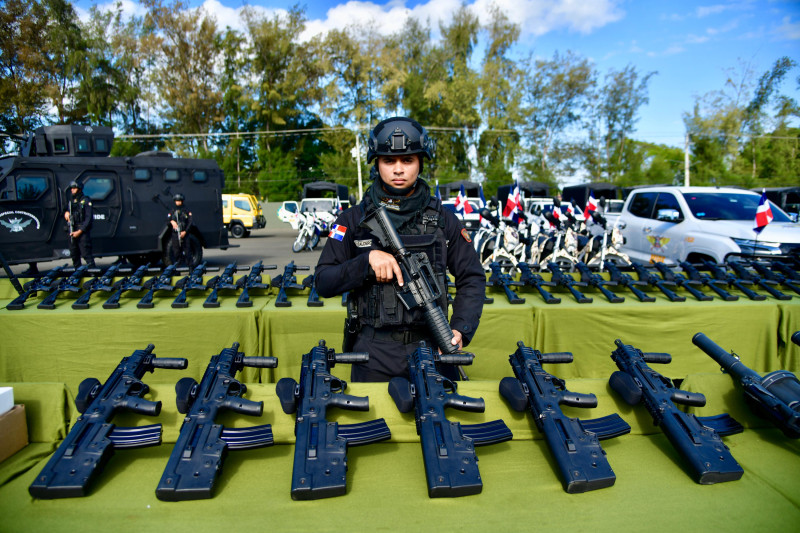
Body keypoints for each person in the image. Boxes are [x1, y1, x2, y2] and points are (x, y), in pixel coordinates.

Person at [314, 117, 486, 382]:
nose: (398, 169)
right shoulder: (351, 221)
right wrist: (366, 262)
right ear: (376, 164)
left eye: (408, 161)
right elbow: (323, 281)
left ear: (420, 163)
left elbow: (472, 277)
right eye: (388, 161)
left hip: (433, 346)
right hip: (374, 353)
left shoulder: (444, 219)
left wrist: (460, 328)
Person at [63, 181, 95, 268]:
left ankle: (93, 274)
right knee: (74, 255)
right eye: (71, 188)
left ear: (79, 189)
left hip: (81, 231)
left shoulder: (86, 201)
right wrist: (66, 212)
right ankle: (78, 273)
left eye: (74, 188)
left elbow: (88, 219)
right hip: (72, 230)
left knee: (86, 254)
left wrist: (79, 231)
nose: (72, 190)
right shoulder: (71, 202)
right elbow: (65, 208)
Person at [167, 193, 193, 265]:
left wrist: (185, 231)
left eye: (179, 201)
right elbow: (167, 220)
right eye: (176, 201)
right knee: (176, 252)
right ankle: (177, 269)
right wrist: (171, 221)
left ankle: (190, 268)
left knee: (187, 251)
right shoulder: (172, 210)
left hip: (185, 233)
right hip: (175, 234)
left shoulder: (186, 210)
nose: (178, 202)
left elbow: (190, 221)